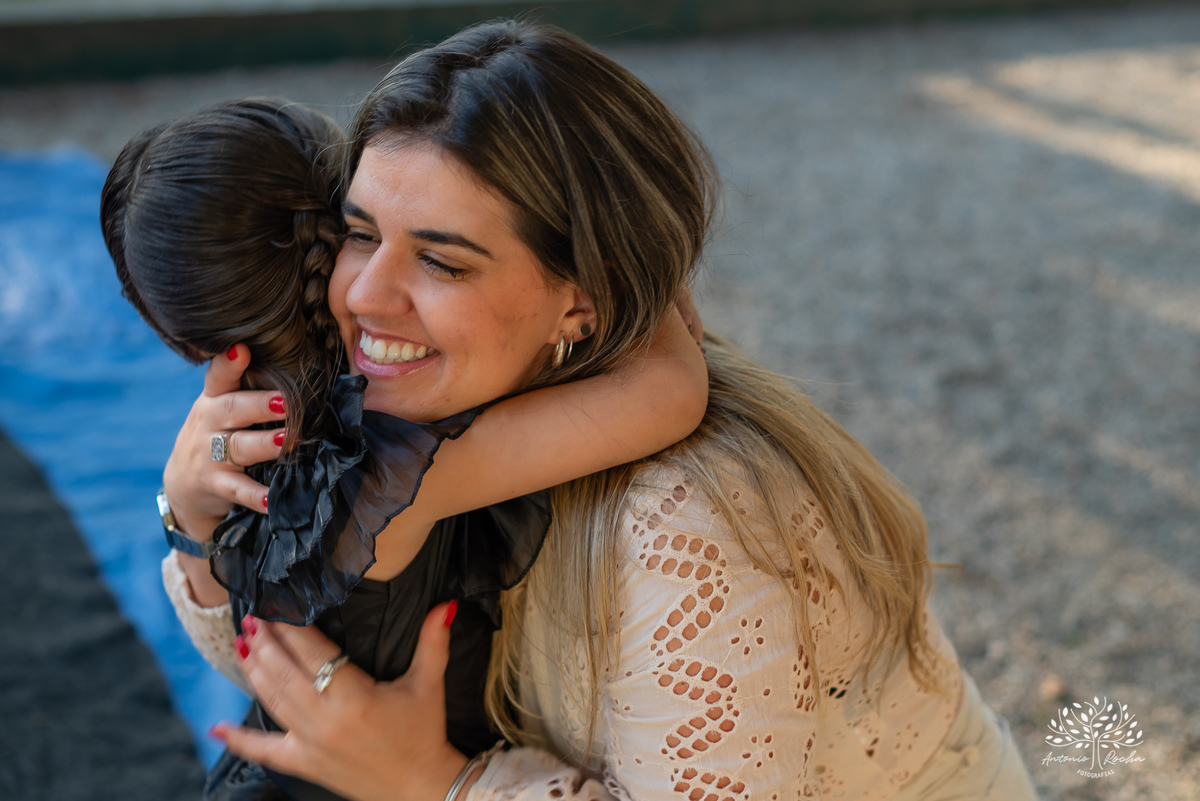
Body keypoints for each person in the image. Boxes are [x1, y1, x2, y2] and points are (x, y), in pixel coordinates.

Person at [161, 21, 1039, 801]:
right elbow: (301, 669)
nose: (364, 295)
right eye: (359, 233)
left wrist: (432, 780)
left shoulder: (690, 520)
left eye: (444, 262)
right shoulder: (410, 407)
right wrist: (195, 526)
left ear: (581, 302)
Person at [100, 98, 708, 800]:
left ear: (190, 345)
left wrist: (184, 512)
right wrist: (609, 273)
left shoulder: (262, 452)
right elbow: (669, 393)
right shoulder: (393, 464)